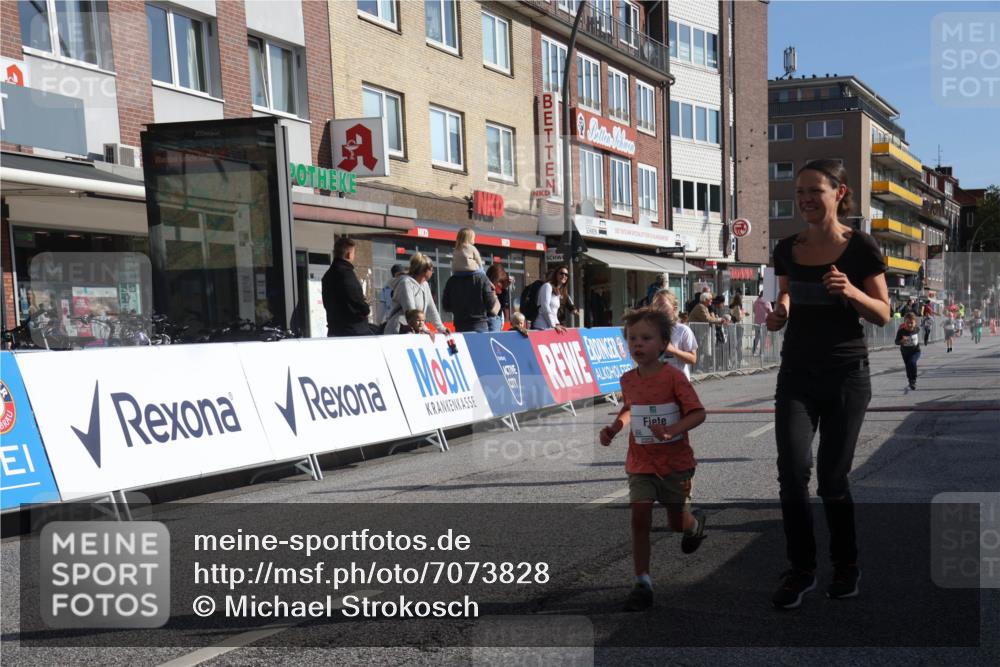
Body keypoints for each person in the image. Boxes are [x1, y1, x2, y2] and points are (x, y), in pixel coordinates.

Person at [766, 159, 890, 609]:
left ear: (839, 193)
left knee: (833, 479)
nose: (804, 199)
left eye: (814, 191)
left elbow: (883, 312)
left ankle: (846, 566)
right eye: (799, 192)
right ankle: (801, 570)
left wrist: (851, 292)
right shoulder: (787, 248)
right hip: (796, 374)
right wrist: (779, 315)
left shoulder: (860, 248)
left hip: (846, 376)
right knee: (792, 475)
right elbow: (784, 297)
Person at [599, 308, 708, 611]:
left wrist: (672, 429)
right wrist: (614, 428)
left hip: (674, 463)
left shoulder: (673, 378)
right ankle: (642, 581)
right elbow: (630, 408)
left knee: (677, 524)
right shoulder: (628, 380)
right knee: (639, 517)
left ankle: (693, 523)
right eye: (632, 338)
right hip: (641, 461)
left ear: (663, 344)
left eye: (646, 338)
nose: (638, 344)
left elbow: (698, 413)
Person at [322, 237, 375, 337]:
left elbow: (326, 303)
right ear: (349, 254)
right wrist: (365, 308)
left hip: (334, 329)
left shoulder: (327, 275)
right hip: (353, 331)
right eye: (354, 253)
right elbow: (357, 302)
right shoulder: (346, 274)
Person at [384, 253, 445, 338]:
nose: (433, 272)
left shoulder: (425, 285)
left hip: (414, 329)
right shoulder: (406, 283)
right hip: (400, 329)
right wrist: (424, 329)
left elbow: (431, 309)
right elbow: (411, 311)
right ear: (424, 270)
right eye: (431, 269)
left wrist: (442, 328)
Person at [651, 289, 698, 380]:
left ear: (674, 308)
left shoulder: (683, 330)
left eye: (662, 305)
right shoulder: (651, 331)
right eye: (656, 305)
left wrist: (673, 350)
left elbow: (693, 359)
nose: (659, 309)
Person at [442, 266, 499, 333]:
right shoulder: (482, 278)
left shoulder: (451, 280)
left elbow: (446, 306)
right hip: (479, 325)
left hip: (460, 326)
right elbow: (490, 304)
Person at [688, 292, 723, 372]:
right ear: (705, 299)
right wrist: (719, 320)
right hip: (696, 332)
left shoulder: (704, 307)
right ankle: (694, 369)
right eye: (710, 299)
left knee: (700, 351)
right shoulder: (700, 307)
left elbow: (710, 318)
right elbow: (707, 319)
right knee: (698, 351)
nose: (711, 300)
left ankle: (697, 368)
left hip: (699, 333)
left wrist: (717, 320)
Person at [534, 265, 569, 332]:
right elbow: (545, 307)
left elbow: (554, 312)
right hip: (541, 327)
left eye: (566, 274)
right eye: (561, 273)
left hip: (550, 327)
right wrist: (553, 325)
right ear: (556, 274)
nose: (564, 276)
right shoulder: (547, 286)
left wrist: (557, 323)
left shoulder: (558, 291)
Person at [895, 313, 921, 391]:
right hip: (905, 352)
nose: (910, 325)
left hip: (915, 351)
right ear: (904, 323)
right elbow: (896, 341)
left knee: (912, 362)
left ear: (915, 323)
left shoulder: (917, 329)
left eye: (911, 323)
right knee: (908, 366)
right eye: (907, 323)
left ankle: (913, 380)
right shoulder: (901, 331)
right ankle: (910, 380)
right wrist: (901, 341)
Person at [486, 263, 512, 332]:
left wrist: (504, 288)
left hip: (496, 319)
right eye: (500, 281)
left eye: (502, 282)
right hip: (489, 319)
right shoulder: (485, 288)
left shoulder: (502, 291)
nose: (501, 285)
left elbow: (504, 306)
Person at [752, 290, 773, 356]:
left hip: (757, 322)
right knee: (763, 338)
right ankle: (762, 352)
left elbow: (754, 310)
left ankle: (754, 351)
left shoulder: (756, 302)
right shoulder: (767, 302)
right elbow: (771, 312)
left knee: (757, 337)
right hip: (765, 323)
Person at [729, 293, 745, 368]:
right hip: (739, 326)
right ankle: (739, 361)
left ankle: (733, 361)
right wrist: (744, 314)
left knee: (733, 344)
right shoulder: (738, 307)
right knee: (738, 344)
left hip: (733, 326)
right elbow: (739, 318)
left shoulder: (732, 306)